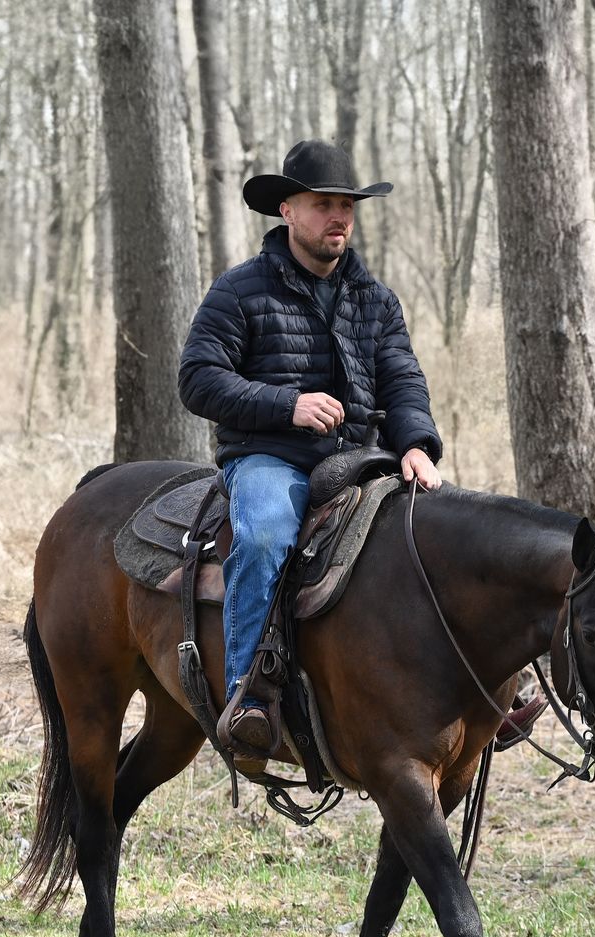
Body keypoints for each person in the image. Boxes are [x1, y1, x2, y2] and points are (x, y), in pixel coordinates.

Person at [179, 139, 443, 757]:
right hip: (269, 458)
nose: (340, 217)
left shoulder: (374, 301)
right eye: (324, 204)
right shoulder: (241, 291)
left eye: (347, 205)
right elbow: (197, 378)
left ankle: (464, 695)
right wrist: (286, 405)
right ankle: (248, 697)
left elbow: (403, 379)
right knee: (267, 531)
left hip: (360, 460)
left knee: (442, 526)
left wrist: (416, 445)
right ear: (288, 211)